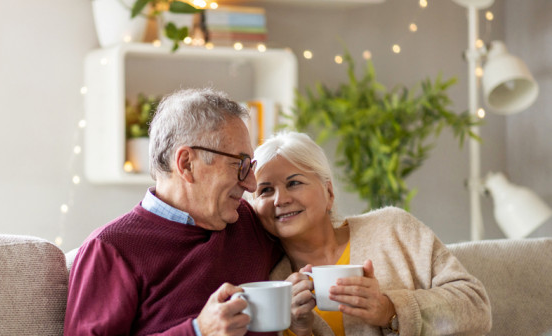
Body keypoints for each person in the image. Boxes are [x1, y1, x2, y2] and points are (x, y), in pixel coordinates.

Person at [64, 88, 283, 335]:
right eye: (240, 165)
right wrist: (198, 331)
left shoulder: (249, 222)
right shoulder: (110, 250)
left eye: (250, 167)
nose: (251, 184)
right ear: (186, 164)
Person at [250, 131, 492, 336]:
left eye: (294, 183)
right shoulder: (270, 284)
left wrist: (390, 310)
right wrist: (299, 329)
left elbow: (476, 305)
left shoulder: (393, 228)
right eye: (266, 190)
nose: (280, 199)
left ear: (329, 193)